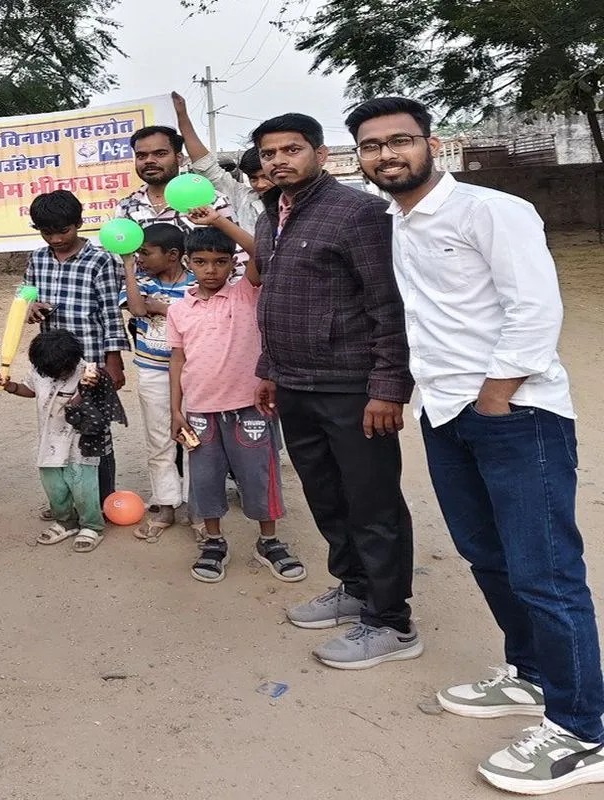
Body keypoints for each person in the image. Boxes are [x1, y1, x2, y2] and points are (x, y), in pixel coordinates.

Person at [348, 95, 604, 794]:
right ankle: (528, 673)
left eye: (400, 141)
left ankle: (585, 730)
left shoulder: (491, 211)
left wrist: (496, 397)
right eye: (372, 147)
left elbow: (534, 308)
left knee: (545, 572)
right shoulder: (395, 222)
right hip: (447, 413)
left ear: (433, 144)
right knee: (486, 555)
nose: (387, 155)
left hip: (515, 414)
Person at [250, 112, 418, 669]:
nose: (279, 161)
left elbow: (385, 304)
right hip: (295, 384)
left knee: (372, 503)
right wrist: (269, 367)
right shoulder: (271, 214)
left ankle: (392, 622)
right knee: (326, 496)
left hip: (352, 387)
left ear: (321, 155)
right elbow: (275, 297)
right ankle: (355, 587)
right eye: (269, 153)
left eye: (291, 149)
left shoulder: (360, 213)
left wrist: (389, 386)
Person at [168, 224, 303, 584]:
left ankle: (269, 541)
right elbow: (178, 361)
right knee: (205, 478)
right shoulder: (179, 311)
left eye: (220, 262)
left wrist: (219, 220)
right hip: (199, 410)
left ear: (234, 265)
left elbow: (262, 251)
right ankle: (213, 542)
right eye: (200, 262)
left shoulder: (247, 294)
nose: (211, 270)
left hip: (249, 407)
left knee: (259, 474)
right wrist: (175, 410)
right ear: (187, 262)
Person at [23, 189, 129, 501]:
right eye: (47, 232)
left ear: (79, 223)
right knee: (57, 431)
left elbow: (111, 312)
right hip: (52, 363)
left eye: (63, 230)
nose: (55, 239)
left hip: (90, 362)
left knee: (93, 431)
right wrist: (30, 305)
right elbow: (25, 294)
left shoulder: (101, 261)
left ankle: (104, 499)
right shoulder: (38, 259)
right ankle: (69, 500)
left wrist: (114, 360)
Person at [0, 330, 108, 553]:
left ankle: (92, 526)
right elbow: (31, 390)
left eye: (65, 371)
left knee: (83, 485)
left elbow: (88, 406)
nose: (61, 375)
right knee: (54, 486)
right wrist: (10, 386)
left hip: (80, 442)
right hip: (50, 440)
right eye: (55, 373)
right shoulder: (40, 371)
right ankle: (66, 521)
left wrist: (86, 388)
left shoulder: (88, 373)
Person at [118, 223, 192, 540]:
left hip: (193, 374)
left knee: (193, 441)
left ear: (172, 255)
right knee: (158, 440)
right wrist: (128, 267)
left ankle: (199, 507)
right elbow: (136, 308)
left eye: (146, 253)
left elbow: (196, 319)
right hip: (152, 372)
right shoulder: (143, 281)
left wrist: (163, 308)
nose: (141, 257)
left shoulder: (195, 284)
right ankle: (166, 504)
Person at [115, 97, 235, 234]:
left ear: (179, 158)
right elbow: (122, 254)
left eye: (160, 154)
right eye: (141, 156)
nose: (149, 160)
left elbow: (238, 253)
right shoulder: (126, 206)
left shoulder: (212, 201)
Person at [170, 92, 274, 233]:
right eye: (253, 178)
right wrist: (182, 116)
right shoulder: (244, 198)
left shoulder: (309, 205)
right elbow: (206, 166)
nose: (260, 185)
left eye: (266, 177)